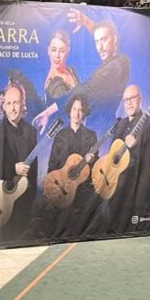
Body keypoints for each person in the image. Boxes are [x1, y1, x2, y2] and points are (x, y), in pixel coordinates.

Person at [33, 13, 130, 133]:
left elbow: (85, 89)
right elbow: (103, 34)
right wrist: (87, 22)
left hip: (99, 132)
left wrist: (49, 111)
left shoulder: (114, 66)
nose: (99, 47)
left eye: (103, 40)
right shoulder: (122, 61)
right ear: (48, 50)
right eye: (96, 41)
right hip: (93, 131)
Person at [0, 81, 37, 231]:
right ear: (3, 106)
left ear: (22, 104)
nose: (13, 108)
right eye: (9, 103)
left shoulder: (31, 132)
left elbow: (34, 171)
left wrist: (29, 200)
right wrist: (13, 169)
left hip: (23, 204)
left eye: (16, 103)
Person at [45, 94, 99, 237]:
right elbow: (52, 165)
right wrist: (53, 186)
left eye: (80, 110)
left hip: (82, 192)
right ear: (69, 111)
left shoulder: (91, 136)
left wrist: (92, 160)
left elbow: (95, 167)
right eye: (74, 109)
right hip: (62, 189)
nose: (77, 113)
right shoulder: (60, 136)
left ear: (84, 113)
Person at [109, 85, 150, 232]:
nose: (129, 103)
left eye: (132, 98)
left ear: (140, 99)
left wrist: (136, 145)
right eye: (126, 100)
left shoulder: (149, 123)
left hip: (137, 188)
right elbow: (113, 156)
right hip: (118, 185)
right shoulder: (120, 125)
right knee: (114, 227)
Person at [43, 30, 79, 104]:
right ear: (48, 51)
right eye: (54, 50)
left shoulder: (71, 70)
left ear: (68, 52)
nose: (57, 55)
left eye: (62, 51)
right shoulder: (53, 83)